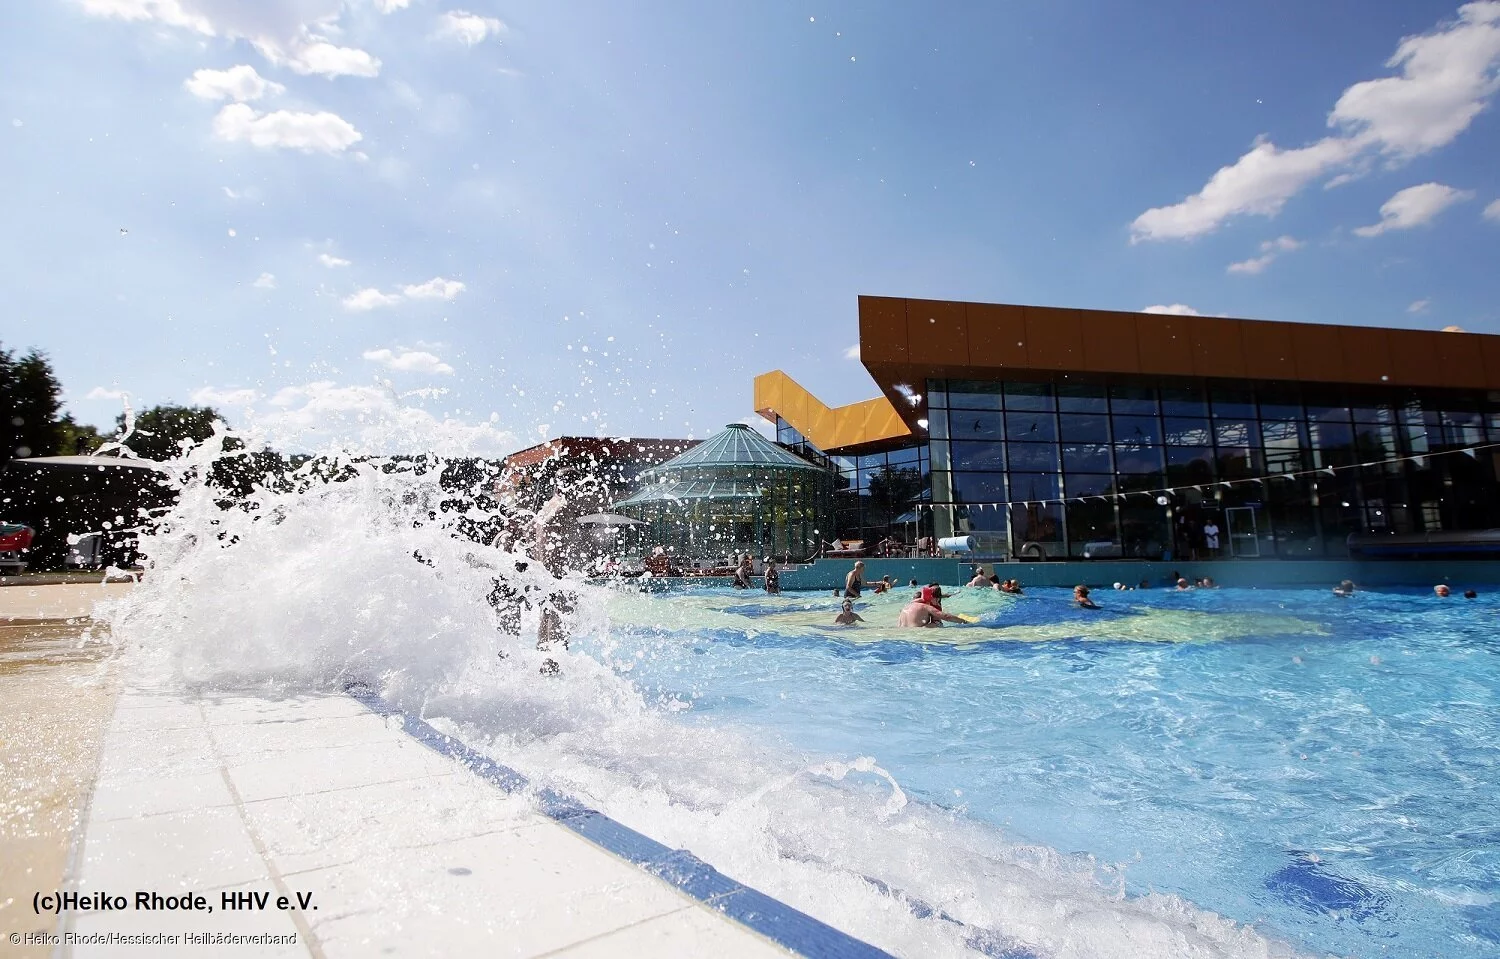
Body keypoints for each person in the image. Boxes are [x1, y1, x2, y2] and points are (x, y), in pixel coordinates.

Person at [897, 586, 964, 627]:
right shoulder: (925, 606)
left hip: (902, 636)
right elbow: (946, 617)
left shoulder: (906, 607)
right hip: (916, 636)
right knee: (937, 623)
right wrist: (964, 622)